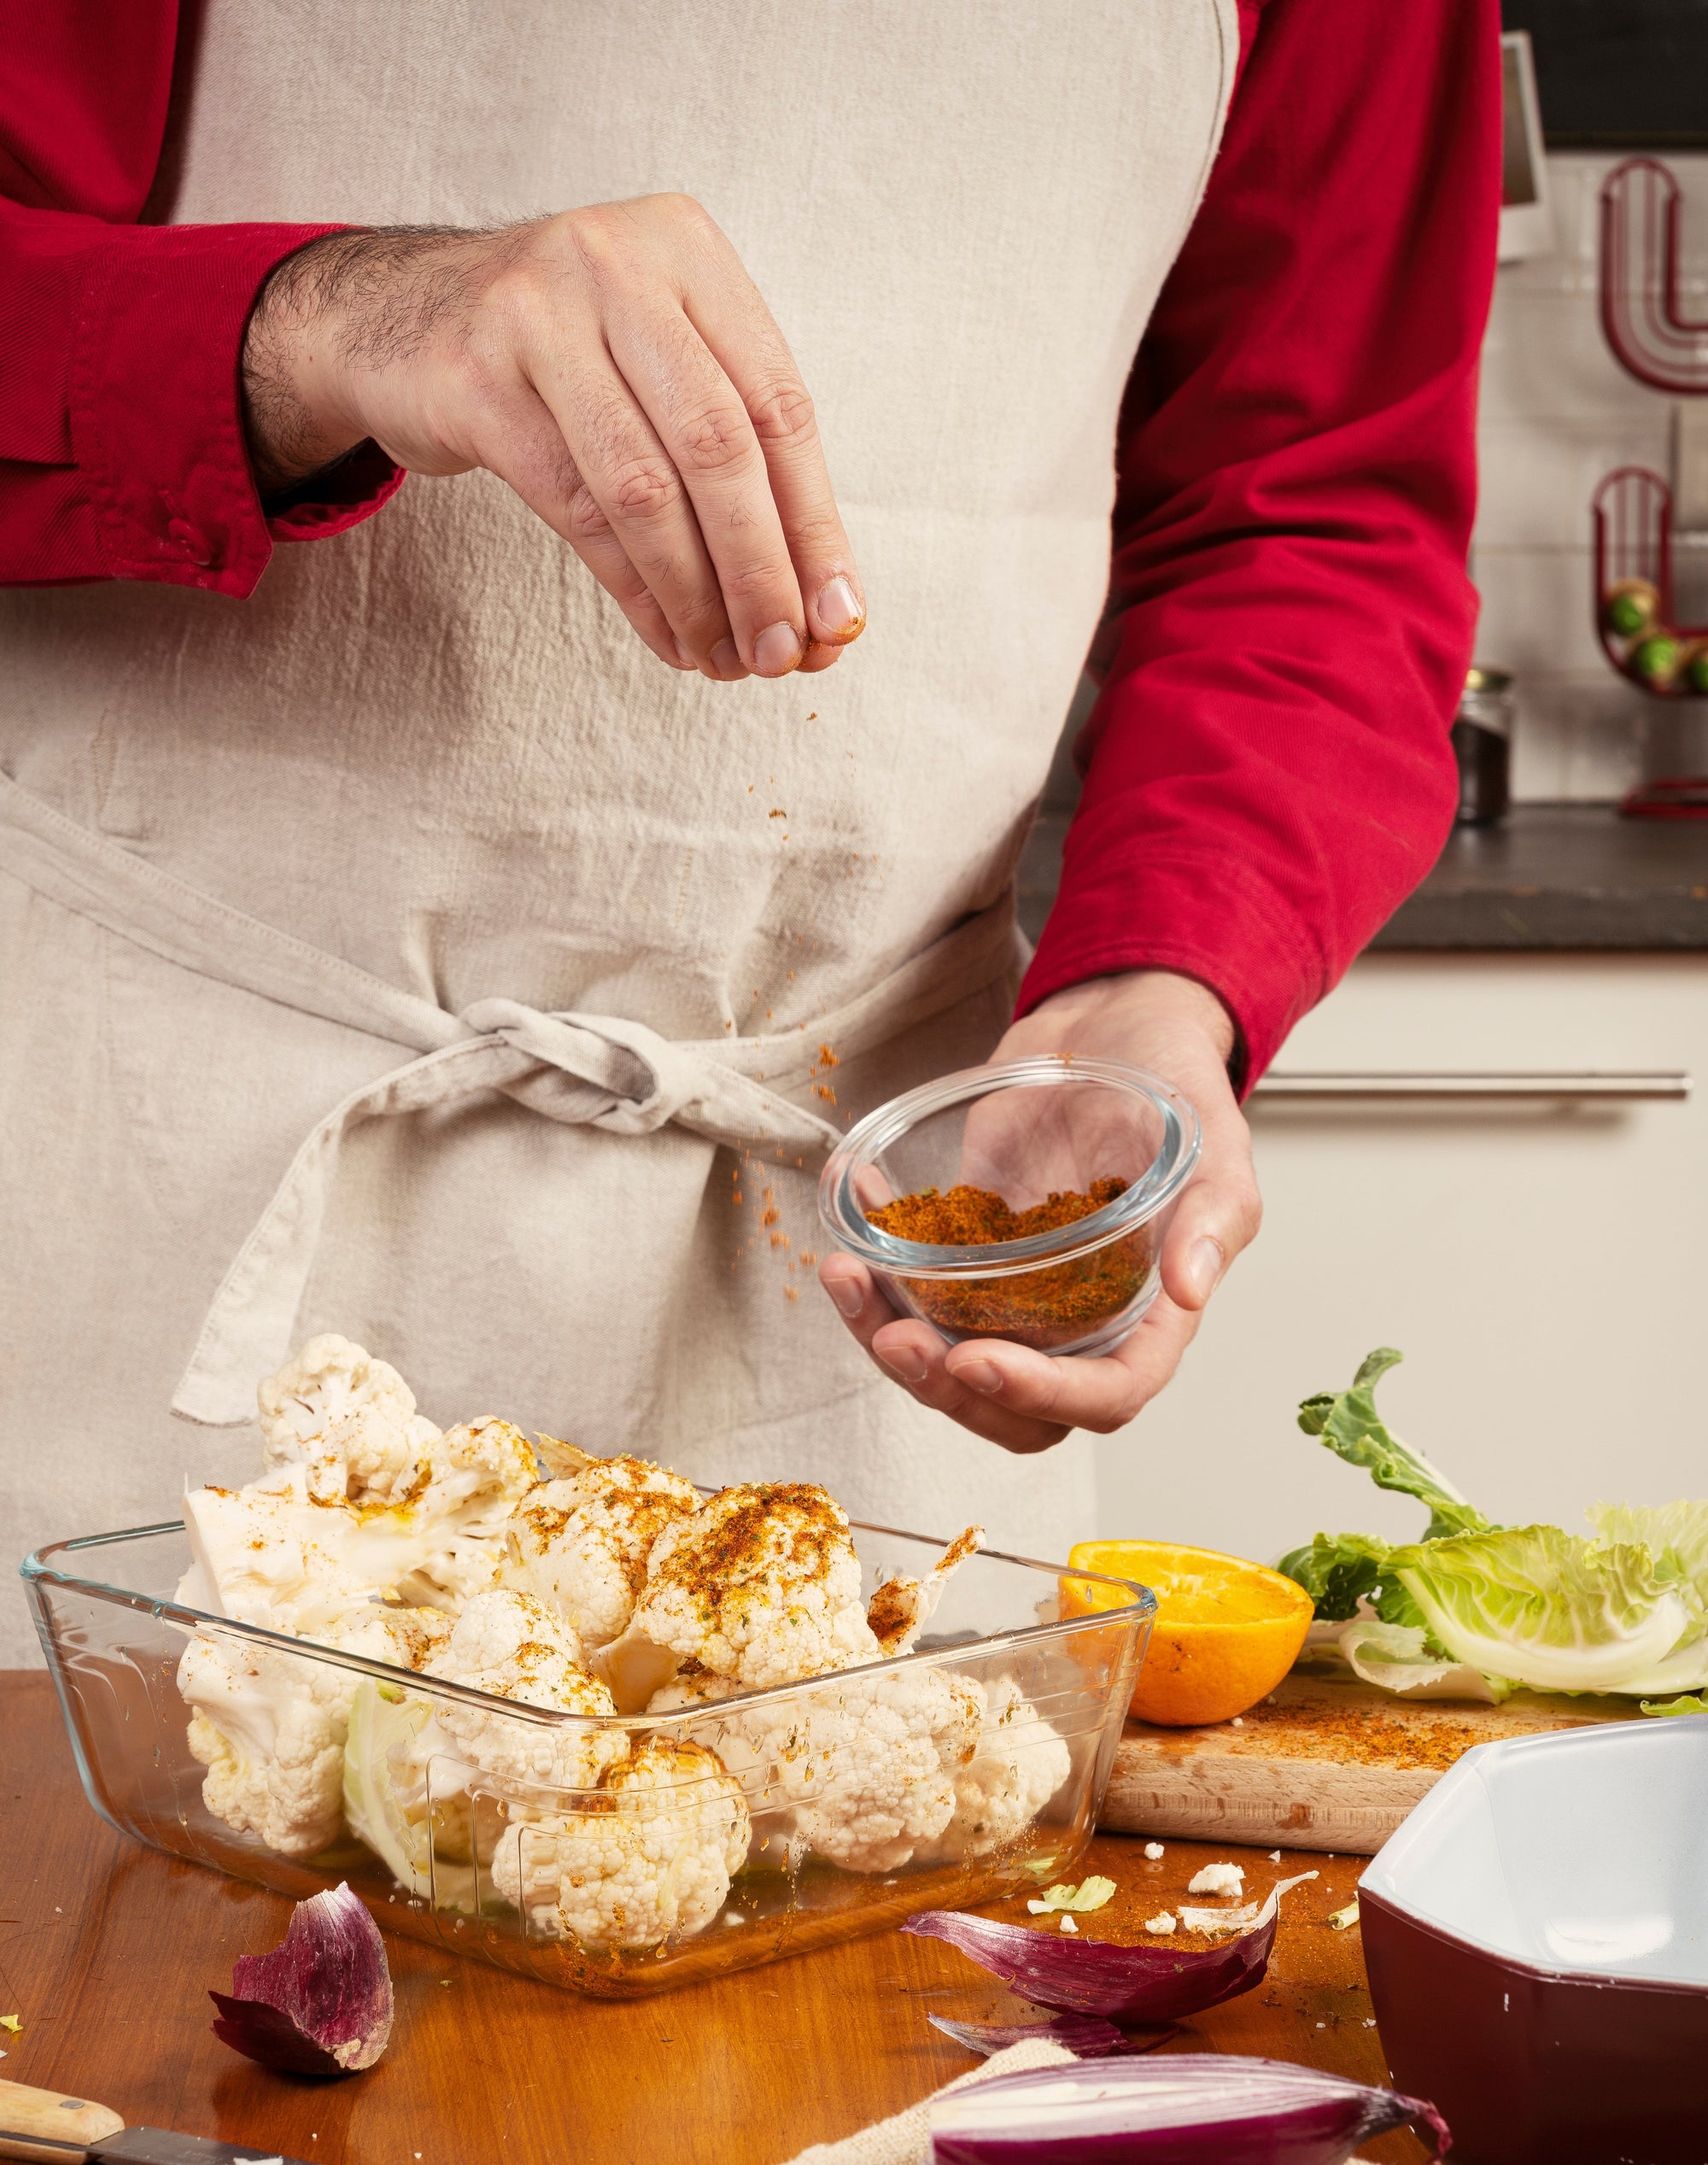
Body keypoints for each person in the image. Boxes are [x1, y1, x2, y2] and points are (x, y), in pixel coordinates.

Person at [0, 0, 1497, 1659]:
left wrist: (1161, 983)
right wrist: (323, 321)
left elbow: (1313, 514)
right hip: (165, 1197)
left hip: (856, 1265)